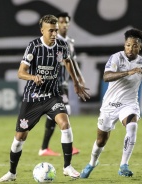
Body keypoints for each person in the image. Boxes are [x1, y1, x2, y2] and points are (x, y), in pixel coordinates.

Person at [80, 28, 142, 178]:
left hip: (128, 104)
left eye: (134, 45)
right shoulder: (116, 58)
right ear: (124, 45)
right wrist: (127, 72)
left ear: (139, 47)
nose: (130, 48)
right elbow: (106, 77)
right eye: (128, 45)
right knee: (101, 141)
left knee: (132, 126)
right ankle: (92, 162)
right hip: (109, 105)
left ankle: (123, 165)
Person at [0, 14, 90, 182]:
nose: (54, 34)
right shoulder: (34, 46)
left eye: (56, 30)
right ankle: (12, 172)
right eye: (51, 31)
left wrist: (76, 83)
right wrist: (33, 77)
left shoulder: (62, 45)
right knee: (20, 138)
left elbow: (68, 62)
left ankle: (67, 166)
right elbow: (20, 72)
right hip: (32, 97)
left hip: (52, 96)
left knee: (65, 123)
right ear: (42, 30)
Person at [38, 12, 83, 156]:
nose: (64, 25)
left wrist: (79, 78)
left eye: (66, 22)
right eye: (61, 22)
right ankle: (64, 146)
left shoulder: (70, 42)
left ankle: (44, 148)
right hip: (53, 82)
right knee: (64, 110)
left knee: (56, 113)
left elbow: (73, 61)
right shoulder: (52, 41)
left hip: (64, 83)